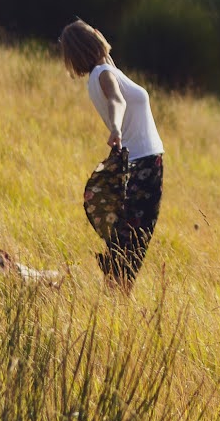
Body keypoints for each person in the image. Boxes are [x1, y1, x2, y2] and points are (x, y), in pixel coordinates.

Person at [58, 19, 164, 290]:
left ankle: (114, 298)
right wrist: (116, 127)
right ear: (92, 40)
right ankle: (116, 296)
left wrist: (100, 47)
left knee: (128, 239)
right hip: (144, 163)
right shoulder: (104, 75)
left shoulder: (104, 72)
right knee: (135, 241)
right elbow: (117, 100)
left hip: (139, 161)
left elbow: (113, 74)